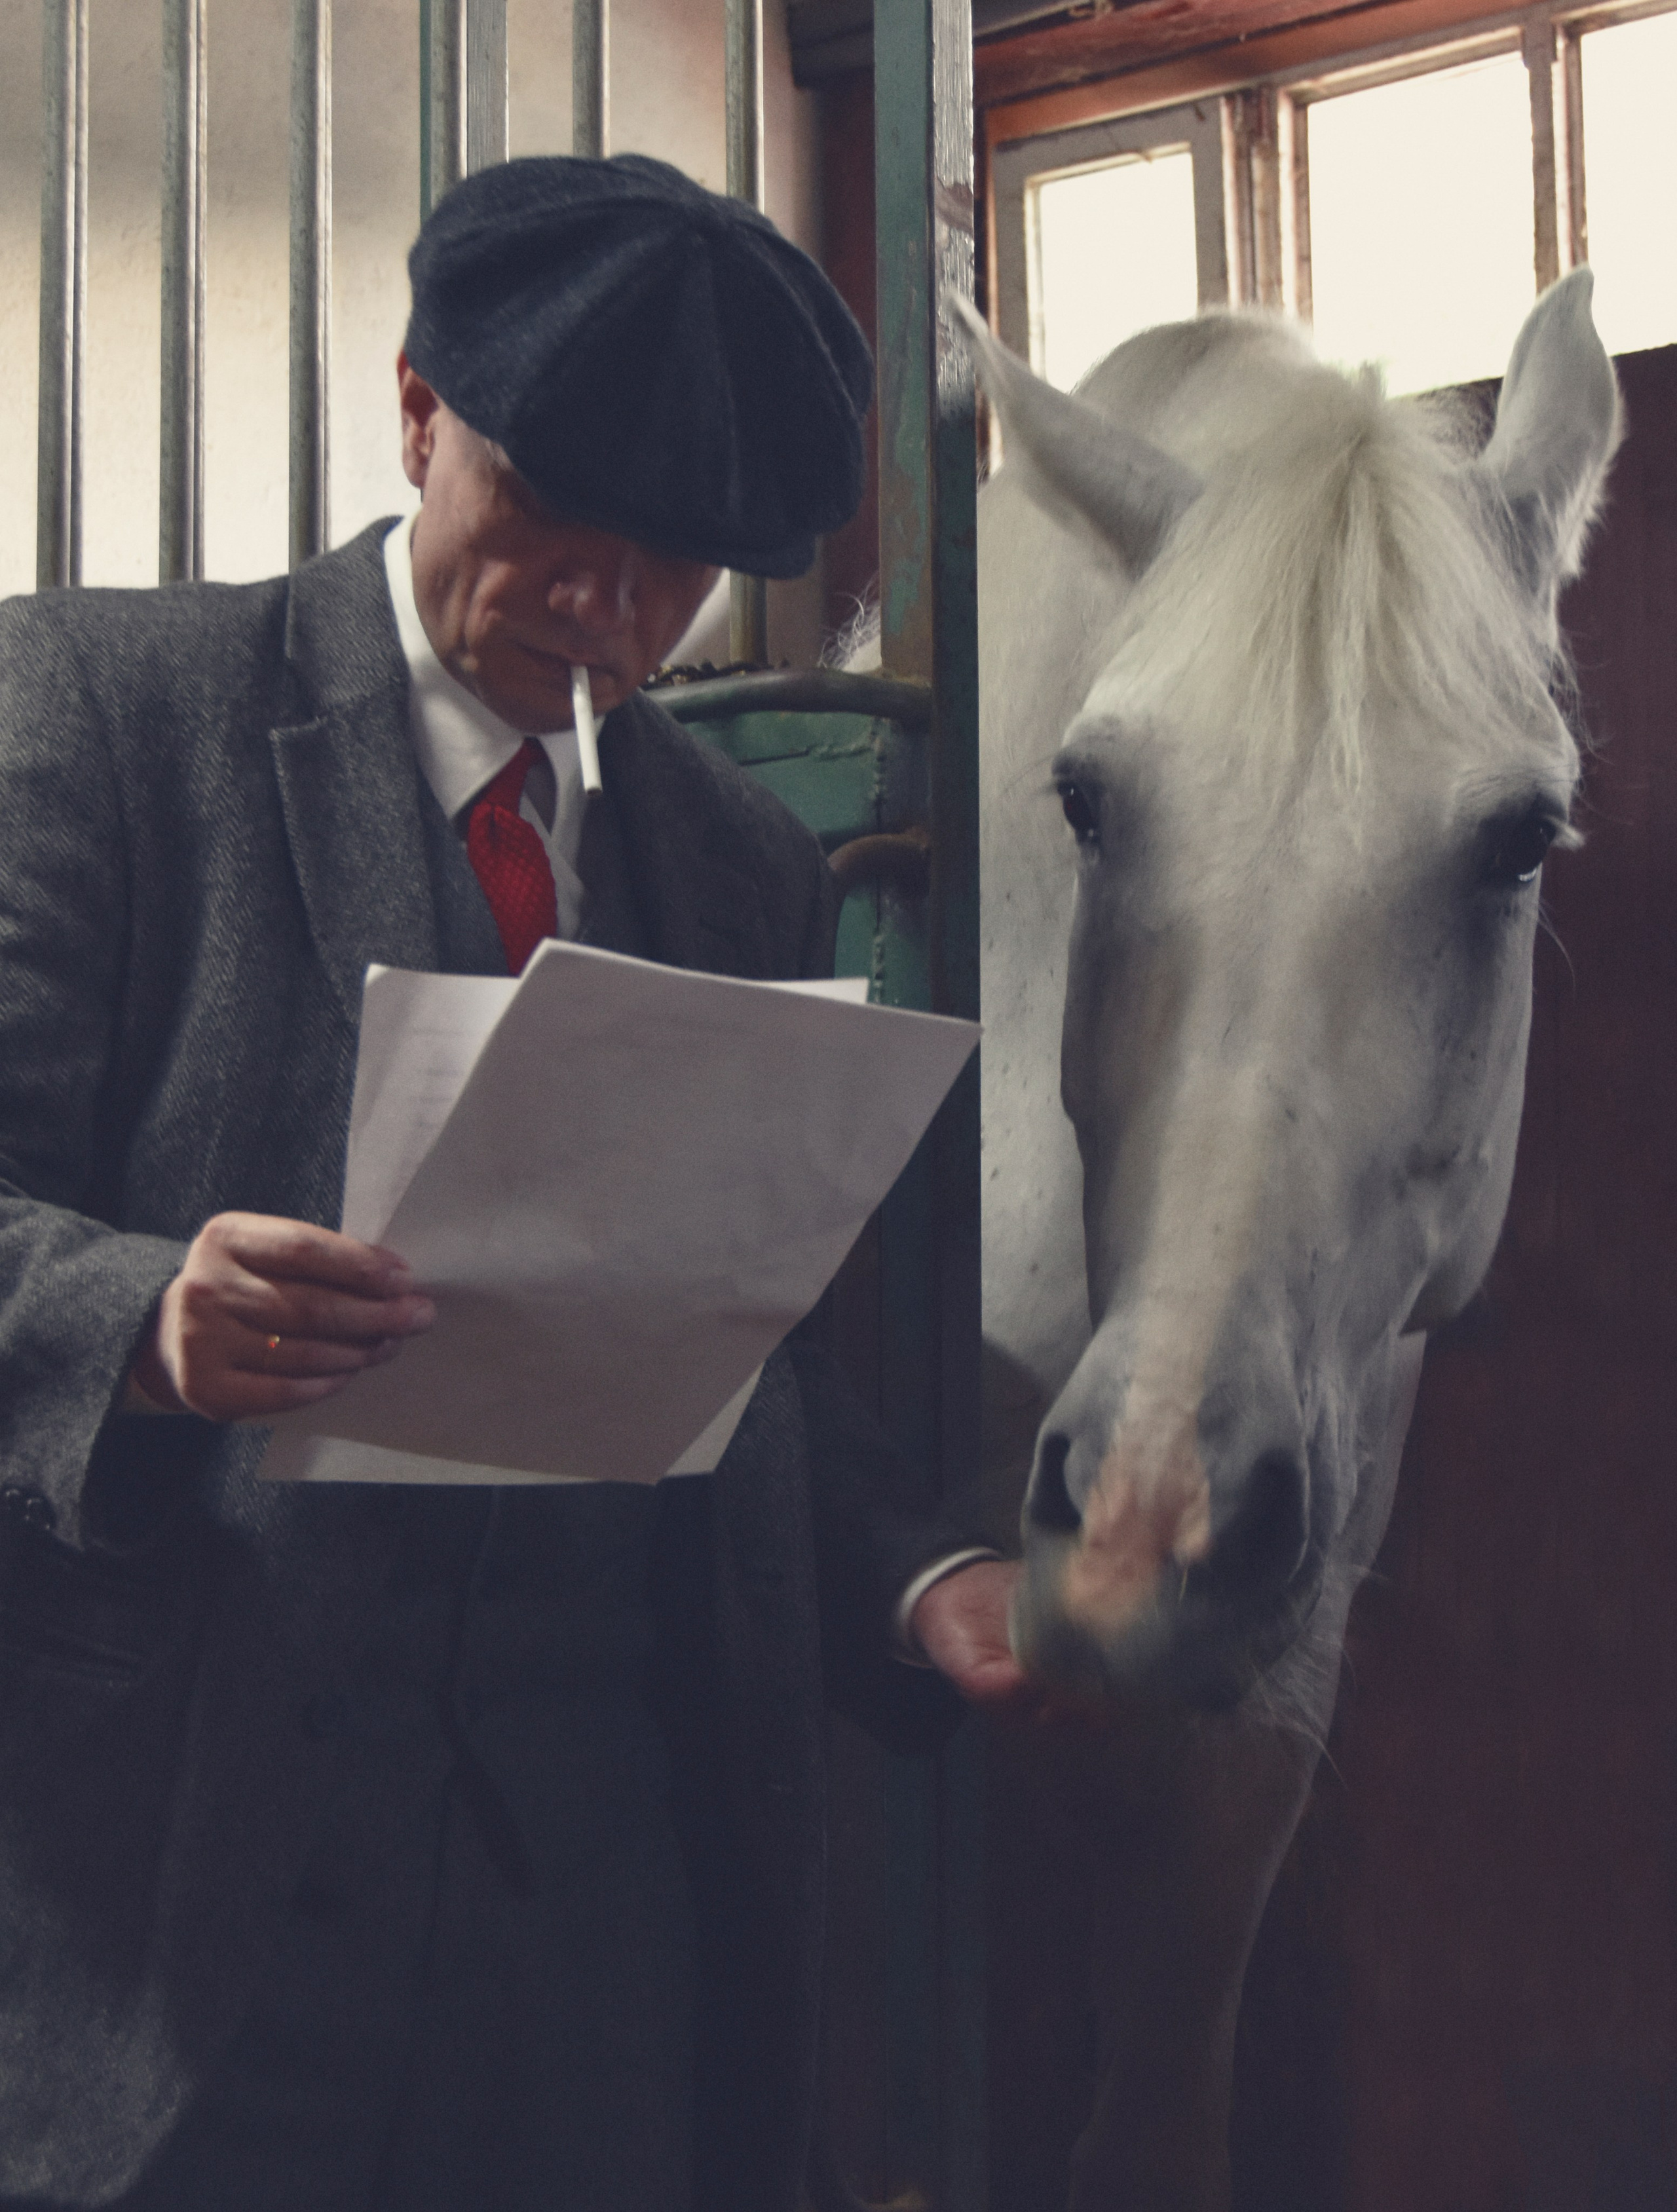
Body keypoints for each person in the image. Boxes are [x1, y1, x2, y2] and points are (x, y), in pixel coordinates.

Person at [0, 155, 1019, 2212]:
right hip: (182, 1907)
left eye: (678, 571)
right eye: (553, 515)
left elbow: (742, 1356)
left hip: (612, 1928)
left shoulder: (736, 854)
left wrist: (916, 1577)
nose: (606, 610)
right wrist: (144, 1322)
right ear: (413, 410)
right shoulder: (102, 713)